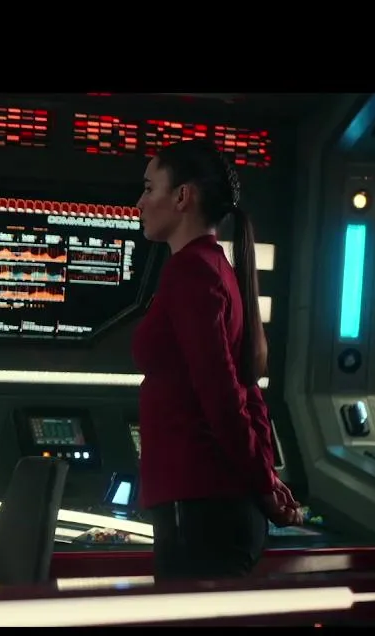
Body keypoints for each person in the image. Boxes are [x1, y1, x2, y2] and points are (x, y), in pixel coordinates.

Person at [132, 138, 303, 582]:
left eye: (149, 189)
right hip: (218, 507)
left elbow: (222, 394)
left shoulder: (190, 272)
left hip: (198, 505)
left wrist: (263, 482)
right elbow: (247, 388)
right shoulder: (218, 268)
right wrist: (264, 476)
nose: (139, 204)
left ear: (182, 196)